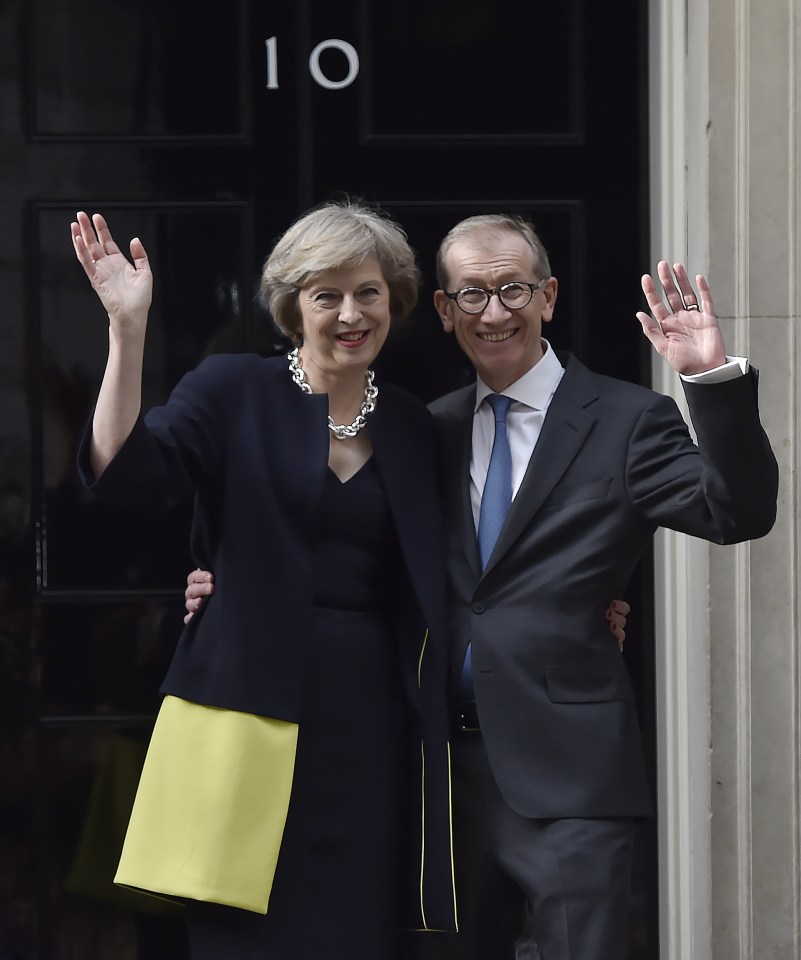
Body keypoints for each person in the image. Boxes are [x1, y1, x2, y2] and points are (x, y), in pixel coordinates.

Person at [71, 201, 460, 960]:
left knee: (359, 934)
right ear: (292, 306)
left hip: (369, 726)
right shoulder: (231, 389)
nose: (351, 313)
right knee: (243, 937)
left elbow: (458, 562)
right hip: (240, 711)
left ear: (395, 300)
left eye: (368, 292)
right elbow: (124, 474)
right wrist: (127, 328)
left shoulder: (416, 426)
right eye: (327, 295)